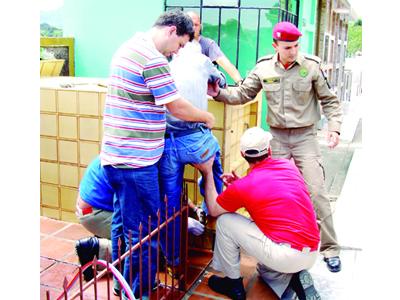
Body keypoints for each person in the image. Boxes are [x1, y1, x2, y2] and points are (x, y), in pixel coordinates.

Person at [207, 21, 343, 273]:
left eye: (296, 46)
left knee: (316, 190)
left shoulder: (311, 66)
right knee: (267, 191)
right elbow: (243, 94)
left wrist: (334, 128)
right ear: (275, 45)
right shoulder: (264, 67)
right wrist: (218, 94)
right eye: (288, 47)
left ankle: (330, 248)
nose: (293, 51)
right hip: (277, 138)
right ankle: (272, 243)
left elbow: (330, 101)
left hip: (305, 137)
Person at [100, 10, 215, 299]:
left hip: (116, 156)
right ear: (171, 31)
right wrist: (205, 116)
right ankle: (138, 294)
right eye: (180, 44)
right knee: (146, 234)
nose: (178, 52)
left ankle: (122, 283)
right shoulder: (152, 59)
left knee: (124, 223)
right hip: (136, 163)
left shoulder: (129, 46)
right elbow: (176, 106)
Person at [196, 126, 321, 300]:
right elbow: (272, 198)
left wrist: (208, 172)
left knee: (225, 222)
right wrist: (239, 186)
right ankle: (294, 279)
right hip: (313, 250)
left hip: (287, 254)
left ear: (242, 154)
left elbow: (214, 209)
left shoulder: (245, 186)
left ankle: (233, 285)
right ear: (269, 150)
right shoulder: (288, 166)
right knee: (264, 270)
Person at [74, 156, 205, 286]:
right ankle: (94, 248)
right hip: (95, 213)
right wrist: (180, 223)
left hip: (94, 207)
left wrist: (194, 209)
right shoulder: (143, 167)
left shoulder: (137, 155)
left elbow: (169, 191)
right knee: (147, 244)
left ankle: (121, 271)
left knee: (148, 238)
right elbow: (152, 206)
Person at [159, 40, 226, 266]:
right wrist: (213, 84)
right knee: (214, 162)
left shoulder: (169, 64)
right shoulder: (204, 61)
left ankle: (174, 262)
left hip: (166, 142)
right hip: (195, 139)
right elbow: (220, 82)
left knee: (170, 203)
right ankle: (210, 210)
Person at [187, 11, 243, 85]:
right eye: (190, 24)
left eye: (196, 25)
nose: (193, 28)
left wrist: (239, 82)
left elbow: (223, 61)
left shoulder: (208, 44)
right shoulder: (176, 42)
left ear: (200, 27)